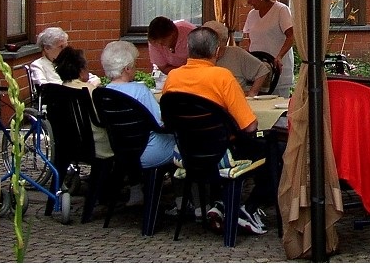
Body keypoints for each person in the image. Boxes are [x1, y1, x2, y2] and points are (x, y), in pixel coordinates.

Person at [162, 26, 269, 235]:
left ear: (189, 50)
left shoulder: (173, 77)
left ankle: (222, 203)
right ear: (217, 51)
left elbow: (168, 122)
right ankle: (248, 208)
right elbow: (250, 126)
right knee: (275, 153)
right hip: (222, 155)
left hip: (187, 154)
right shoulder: (222, 77)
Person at [100, 40, 176, 169]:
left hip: (120, 151)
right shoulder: (140, 91)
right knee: (187, 145)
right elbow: (161, 122)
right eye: (135, 64)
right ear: (127, 68)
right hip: (147, 150)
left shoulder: (104, 93)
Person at [53, 47, 114, 160]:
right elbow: (103, 119)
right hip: (96, 146)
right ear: (81, 71)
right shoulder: (90, 91)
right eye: (87, 67)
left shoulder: (59, 91)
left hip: (68, 144)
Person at [241, 0, 295, 98]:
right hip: (258, 71)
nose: (249, 2)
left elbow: (291, 36)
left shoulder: (281, 10)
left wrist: (279, 56)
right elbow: (251, 41)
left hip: (277, 70)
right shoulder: (252, 14)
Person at [204, 20, 273, 97]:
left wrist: (252, 93)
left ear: (224, 41)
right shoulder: (200, 55)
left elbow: (263, 70)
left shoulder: (236, 53)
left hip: (234, 98)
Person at [30, 26, 99, 88]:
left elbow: (93, 78)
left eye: (66, 46)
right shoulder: (38, 65)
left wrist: (89, 87)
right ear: (47, 48)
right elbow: (44, 88)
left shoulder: (69, 61)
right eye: (61, 47)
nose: (65, 49)